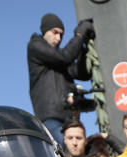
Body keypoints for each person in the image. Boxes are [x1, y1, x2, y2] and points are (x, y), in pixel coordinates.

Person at [27, 13, 95, 146]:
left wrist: (82, 47)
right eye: (55, 32)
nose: (58, 38)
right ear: (45, 31)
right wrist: (79, 35)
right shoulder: (35, 46)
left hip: (70, 120)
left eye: (61, 35)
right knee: (67, 152)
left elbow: (82, 73)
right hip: (51, 119)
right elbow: (64, 57)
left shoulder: (59, 62)